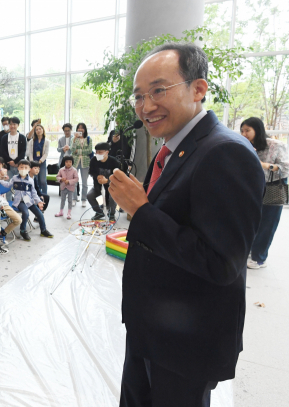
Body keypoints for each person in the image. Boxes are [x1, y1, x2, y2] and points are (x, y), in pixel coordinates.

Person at [106, 43, 265, 407]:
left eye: (159, 91)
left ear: (198, 89)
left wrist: (140, 211)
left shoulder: (226, 152)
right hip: (150, 326)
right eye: (139, 96)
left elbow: (221, 262)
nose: (146, 106)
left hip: (185, 344)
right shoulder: (172, 147)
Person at [240, 116, 288, 269]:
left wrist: (265, 165)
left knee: (269, 223)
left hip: (276, 185)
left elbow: (285, 168)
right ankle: (251, 250)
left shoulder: (276, 145)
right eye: (242, 131)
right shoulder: (247, 145)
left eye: (247, 130)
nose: (244, 134)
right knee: (252, 219)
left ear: (258, 130)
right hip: (255, 185)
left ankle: (259, 258)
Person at [0, 159, 53, 241]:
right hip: (20, 201)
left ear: (29, 169)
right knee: (25, 213)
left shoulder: (30, 180)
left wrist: (39, 201)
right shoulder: (14, 178)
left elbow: (34, 192)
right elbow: (8, 185)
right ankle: (23, 230)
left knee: (40, 214)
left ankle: (43, 230)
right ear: (18, 168)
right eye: (21, 167)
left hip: (28, 200)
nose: (23, 169)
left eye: (26, 167)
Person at [87, 142, 119, 221]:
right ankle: (99, 212)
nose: (97, 154)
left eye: (100, 152)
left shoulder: (114, 162)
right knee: (90, 195)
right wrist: (97, 176)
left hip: (111, 186)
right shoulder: (94, 160)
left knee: (112, 198)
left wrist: (107, 180)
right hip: (98, 186)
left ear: (107, 152)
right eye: (96, 152)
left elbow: (118, 176)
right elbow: (91, 172)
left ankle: (111, 214)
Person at [70, 122, 92, 207]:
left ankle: (84, 199)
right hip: (75, 162)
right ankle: (74, 198)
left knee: (84, 182)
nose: (80, 129)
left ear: (85, 129)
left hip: (85, 163)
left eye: (82, 128)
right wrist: (75, 139)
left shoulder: (89, 139)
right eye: (79, 128)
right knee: (74, 181)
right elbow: (72, 149)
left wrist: (77, 151)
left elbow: (89, 151)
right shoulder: (73, 138)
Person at [0, 117, 26, 181]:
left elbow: (23, 152)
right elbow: (3, 151)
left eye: (14, 124)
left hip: (19, 165)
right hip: (8, 165)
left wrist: (15, 162)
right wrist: (11, 161)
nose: (12, 126)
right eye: (10, 124)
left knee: (19, 185)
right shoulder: (4, 138)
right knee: (8, 185)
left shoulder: (22, 137)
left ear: (18, 125)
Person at [26, 123, 49, 195]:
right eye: (36, 130)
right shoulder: (31, 141)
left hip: (42, 162)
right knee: (34, 180)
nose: (38, 131)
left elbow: (46, 153)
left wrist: (40, 161)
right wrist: (32, 162)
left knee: (42, 180)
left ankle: (44, 196)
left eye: (40, 129)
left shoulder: (47, 141)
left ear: (43, 130)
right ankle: (35, 195)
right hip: (33, 163)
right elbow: (30, 153)